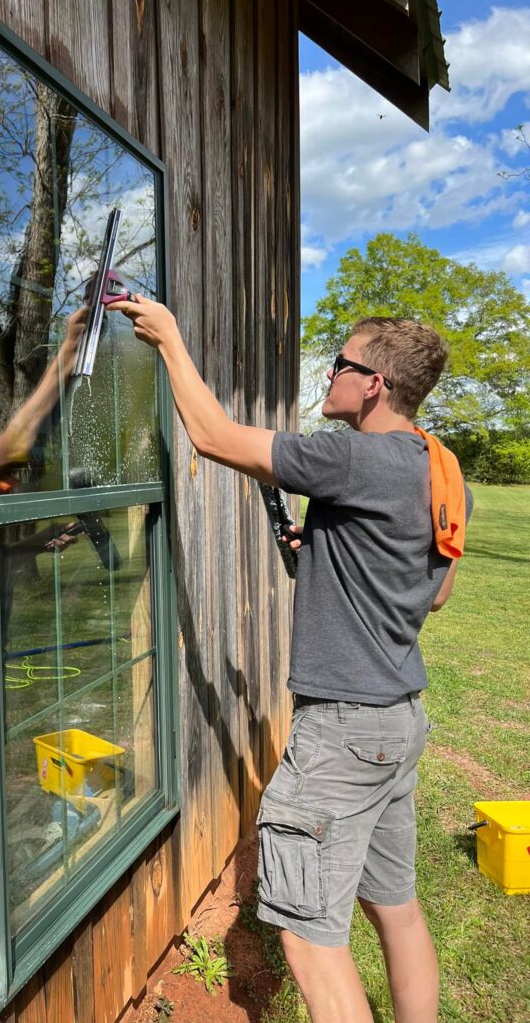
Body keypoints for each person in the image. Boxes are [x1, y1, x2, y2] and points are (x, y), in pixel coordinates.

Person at [108, 295, 471, 1023]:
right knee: (394, 908)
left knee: (307, 939)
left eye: (341, 364)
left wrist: (169, 338)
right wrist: (336, 551)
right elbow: (434, 594)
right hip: (398, 723)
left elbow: (212, 436)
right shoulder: (440, 465)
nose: (330, 375)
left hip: (343, 734)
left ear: (374, 384)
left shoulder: (351, 457)